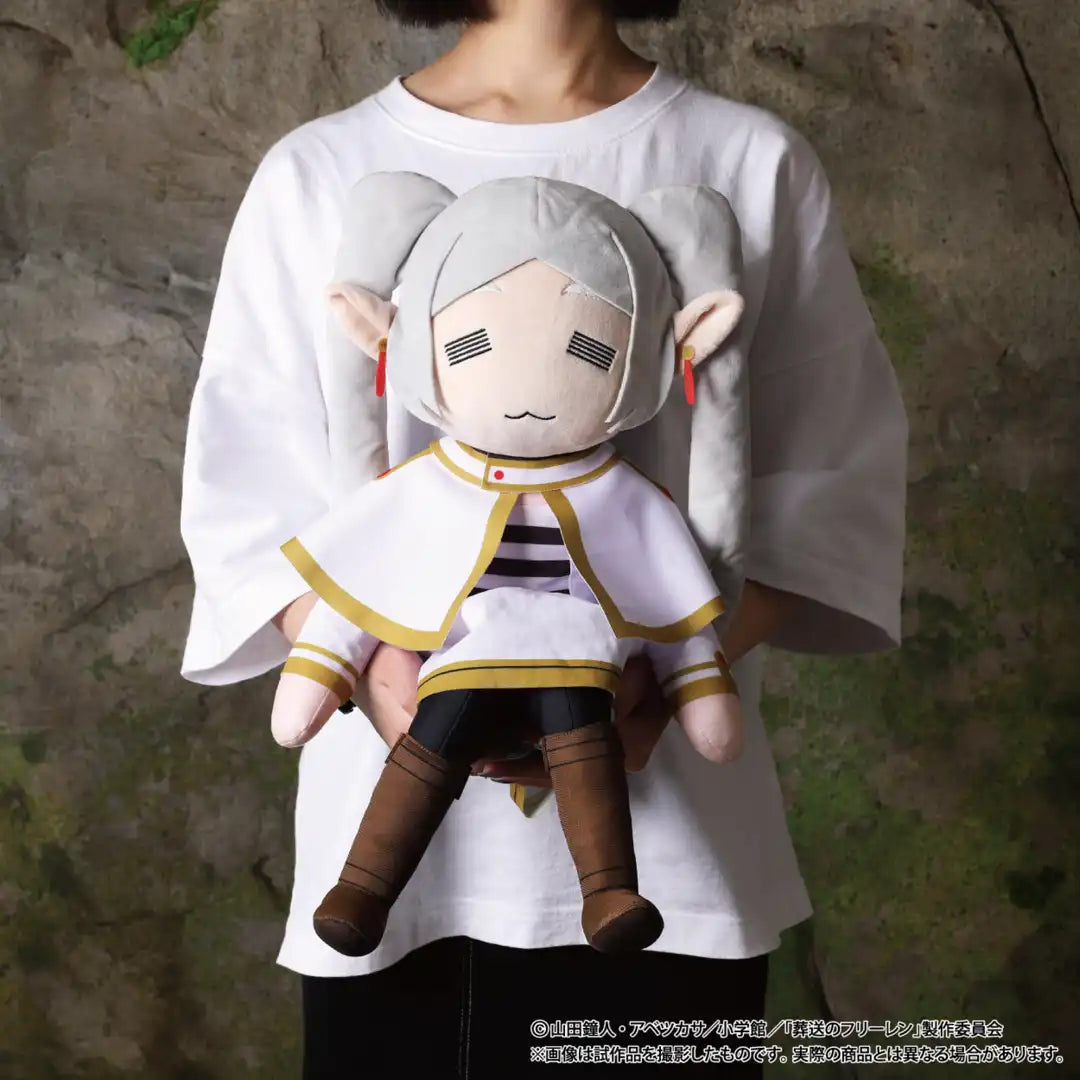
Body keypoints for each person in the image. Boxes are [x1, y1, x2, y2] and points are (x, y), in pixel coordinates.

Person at [178, 0, 908, 1076]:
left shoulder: (749, 161)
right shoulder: (322, 171)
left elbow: (832, 490)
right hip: (389, 871)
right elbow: (247, 495)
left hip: (673, 869)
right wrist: (387, 682)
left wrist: (658, 683)